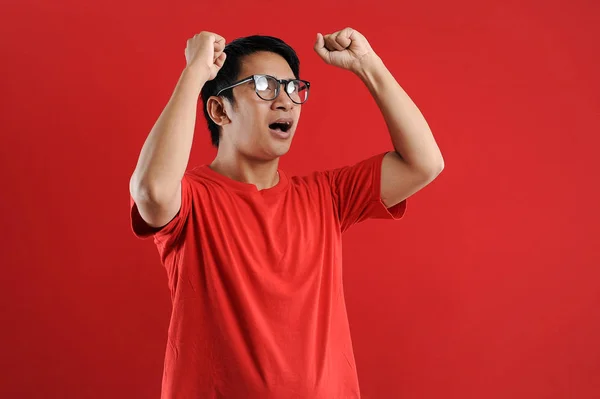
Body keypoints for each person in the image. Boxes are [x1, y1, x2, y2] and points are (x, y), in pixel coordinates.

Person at [129, 27, 444, 399]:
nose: (285, 101)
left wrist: (367, 66)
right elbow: (152, 191)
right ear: (219, 109)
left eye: (294, 89)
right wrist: (195, 72)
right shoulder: (192, 200)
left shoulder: (326, 196)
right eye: (264, 85)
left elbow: (424, 163)